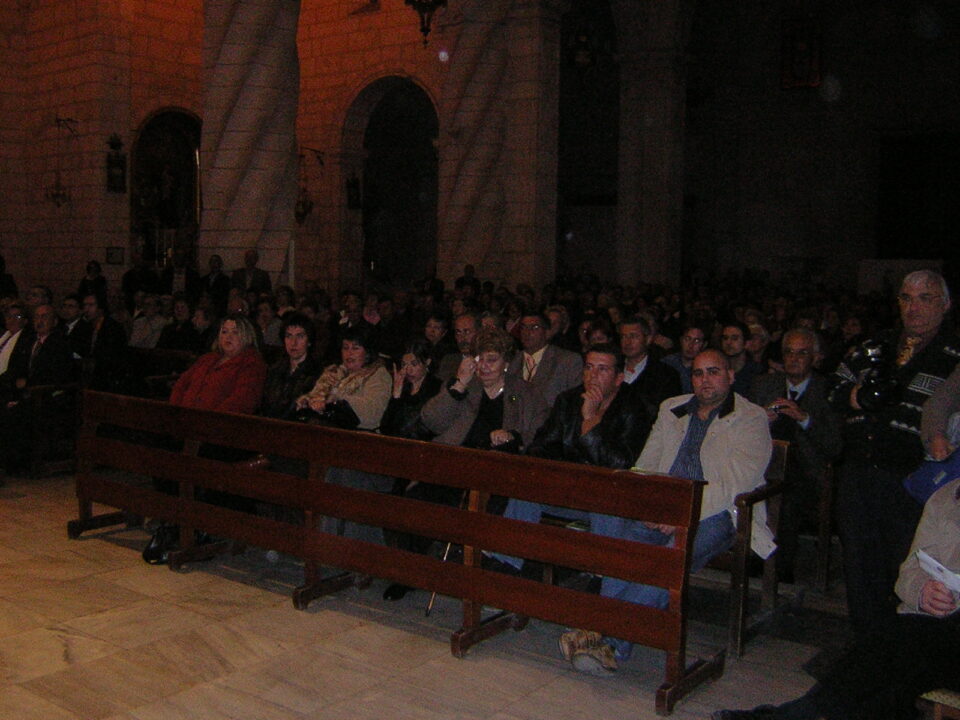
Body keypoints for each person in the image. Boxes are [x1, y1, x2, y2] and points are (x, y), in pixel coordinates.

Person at [561, 349, 773, 675]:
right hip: (665, 506)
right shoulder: (672, 408)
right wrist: (648, 503)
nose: (705, 380)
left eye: (713, 372)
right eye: (698, 373)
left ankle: (606, 636)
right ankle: (604, 638)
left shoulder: (751, 417)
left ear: (730, 376)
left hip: (718, 513)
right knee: (622, 540)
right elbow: (646, 466)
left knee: (671, 560)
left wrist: (679, 514)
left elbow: (733, 484)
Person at [711, 477, 960, 720]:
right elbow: (911, 570)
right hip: (932, 628)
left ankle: (793, 715)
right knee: (889, 660)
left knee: (898, 648)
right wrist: (922, 590)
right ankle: (801, 714)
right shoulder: (948, 497)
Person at [829, 269, 958, 637]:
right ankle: (866, 647)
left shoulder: (953, 356)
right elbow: (833, 387)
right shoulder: (878, 345)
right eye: (906, 297)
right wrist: (856, 397)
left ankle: (897, 648)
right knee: (859, 566)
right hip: (858, 470)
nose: (913, 307)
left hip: (913, 480)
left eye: (925, 298)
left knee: (906, 568)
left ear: (945, 305)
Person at [488, 342, 653, 572]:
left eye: (602, 369)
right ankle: (505, 566)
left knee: (607, 509)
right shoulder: (568, 400)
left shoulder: (635, 408)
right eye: (589, 367)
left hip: (608, 496)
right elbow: (542, 446)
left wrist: (590, 421)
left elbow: (619, 463)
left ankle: (601, 578)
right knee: (525, 490)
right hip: (566, 487)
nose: (593, 376)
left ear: (618, 378)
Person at [143, 313, 268, 564]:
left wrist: (202, 425)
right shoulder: (207, 359)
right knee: (161, 449)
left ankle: (196, 525)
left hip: (223, 436)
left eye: (234, 332)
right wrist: (178, 418)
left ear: (246, 336)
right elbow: (181, 386)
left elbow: (240, 403)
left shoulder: (252, 364)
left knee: (196, 458)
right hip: (190, 430)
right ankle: (173, 520)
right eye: (224, 331)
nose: (228, 337)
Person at [750, 328, 842, 583]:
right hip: (764, 466)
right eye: (789, 352)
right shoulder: (763, 385)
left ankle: (777, 568)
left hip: (809, 473)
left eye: (802, 353)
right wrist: (760, 420)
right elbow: (740, 432)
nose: (794, 358)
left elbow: (835, 446)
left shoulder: (828, 391)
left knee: (787, 497)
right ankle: (749, 557)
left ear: (815, 357)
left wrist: (804, 419)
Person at [379, 339, 445, 601]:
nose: (408, 370)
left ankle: (407, 572)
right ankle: (393, 566)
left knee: (409, 500)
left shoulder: (437, 390)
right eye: (404, 364)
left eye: (414, 364)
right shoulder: (402, 390)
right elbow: (387, 428)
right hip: (398, 459)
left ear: (427, 363)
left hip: (426, 461)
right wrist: (396, 392)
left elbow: (429, 429)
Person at [507, 311, 583, 407]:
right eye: (523, 328)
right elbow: (510, 397)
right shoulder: (513, 361)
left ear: (547, 332)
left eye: (534, 328)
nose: (527, 332)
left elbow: (574, 401)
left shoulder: (567, 361)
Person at [260, 313, 322, 421]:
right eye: (289, 336)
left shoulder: (317, 373)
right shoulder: (274, 370)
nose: (293, 343)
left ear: (309, 341)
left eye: (300, 336)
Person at [618, 314, 681, 412]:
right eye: (623, 336)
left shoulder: (665, 375)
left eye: (633, 336)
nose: (627, 342)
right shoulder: (613, 370)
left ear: (648, 339)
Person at [721, 320, 765, 396]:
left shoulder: (758, 373)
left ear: (747, 343)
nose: (728, 342)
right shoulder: (717, 370)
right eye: (725, 338)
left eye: (734, 338)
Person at [661, 323, 707, 393]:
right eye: (687, 339)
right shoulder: (667, 363)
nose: (691, 345)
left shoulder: (706, 368)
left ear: (704, 345)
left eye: (697, 341)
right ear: (681, 340)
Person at [436, 312, 479, 382]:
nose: (462, 338)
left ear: (478, 333)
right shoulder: (448, 362)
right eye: (458, 332)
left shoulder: (487, 363)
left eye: (467, 332)